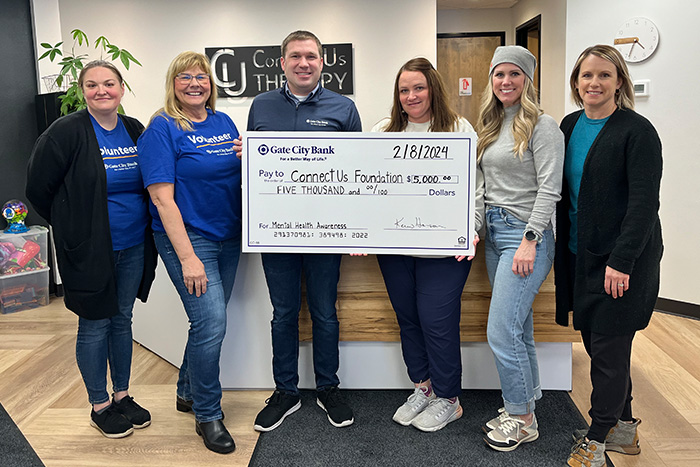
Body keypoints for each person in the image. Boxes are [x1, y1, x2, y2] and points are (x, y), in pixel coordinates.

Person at [234, 30, 361, 432]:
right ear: (283, 63)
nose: (303, 63)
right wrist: (247, 155)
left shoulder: (344, 108)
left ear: (322, 62)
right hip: (276, 232)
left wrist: (356, 228)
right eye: (295, 56)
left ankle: (328, 388)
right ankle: (285, 391)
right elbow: (256, 169)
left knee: (325, 313)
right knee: (284, 314)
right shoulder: (262, 105)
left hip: (327, 232)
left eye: (310, 56)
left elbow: (359, 170)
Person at [26, 60, 156, 439]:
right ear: (82, 90)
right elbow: (38, 188)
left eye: (110, 83)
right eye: (93, 84)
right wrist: (71, 227)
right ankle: (99, 404)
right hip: (89, 249)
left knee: (122, 319)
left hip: (133, 244)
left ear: (121, 88)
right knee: (95, 322)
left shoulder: (133, 129)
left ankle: (123, 395)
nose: (102, 90)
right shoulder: (66, 132)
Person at [557, 45, 662, 467]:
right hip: (580, 254)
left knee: (608, 349)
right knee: (604, 346)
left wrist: (622, 261)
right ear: (576, 82)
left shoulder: (637, 131)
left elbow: (643, 204)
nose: (594, 83)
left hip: (621, 260)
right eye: (586, 76)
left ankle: (598, 436)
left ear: (620, 81)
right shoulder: (568, 125)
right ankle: (624, 428)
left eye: (603, 75)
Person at [137, 51, 242, 454]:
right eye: (185, 78)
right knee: (212, 322)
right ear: (173, 84)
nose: (195, 83)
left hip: (228, 235)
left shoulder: (223, 121)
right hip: (188, 238)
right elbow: (163, 200)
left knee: (206, 325)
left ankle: (185, 391)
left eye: (202, 76)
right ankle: (208, 414)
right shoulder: (161, 128)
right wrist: (188, 258)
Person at [370, 58, 478, 432]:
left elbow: (474, 188)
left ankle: (449, 399)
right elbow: (367, 189)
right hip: (395, 249)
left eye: (418, 87)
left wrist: (472, 227)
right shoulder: (383, 131)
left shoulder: (457, 128)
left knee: (437, 322)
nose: (411, 96)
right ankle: (424, 388)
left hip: (444, 250)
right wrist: (358, 231)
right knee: (409, 319)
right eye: (404, 90)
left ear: (433, 88)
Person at [475, 46, 564, 451]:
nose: (505, 82)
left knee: (501, 330)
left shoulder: (543, 126)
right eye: (499, 75)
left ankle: (523, 419)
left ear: (527, 79)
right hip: (494, 233)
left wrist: (530, 240)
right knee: (519, 329)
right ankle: (524, 406)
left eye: (514, 74)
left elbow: (550, 188)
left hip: (525, 236)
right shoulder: (490, 125)